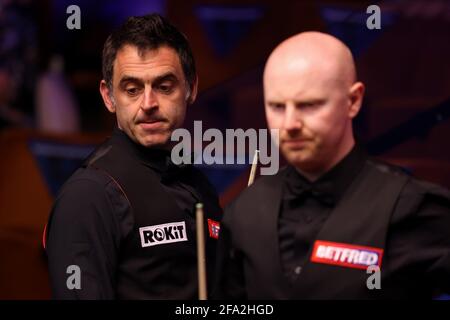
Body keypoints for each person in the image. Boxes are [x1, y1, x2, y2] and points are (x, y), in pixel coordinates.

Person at [213, 31, 450, 299]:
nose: (290, 124)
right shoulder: (244, 210)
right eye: (277, 106)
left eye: (309, 105)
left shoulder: (414, 207)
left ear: (353, 101)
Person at [45, 14, 222, 299]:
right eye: (132, 89)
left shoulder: (198, 184)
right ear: (109, 97)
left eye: (164, 87)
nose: (148, 103)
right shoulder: (88, 195)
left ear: (191, 88)